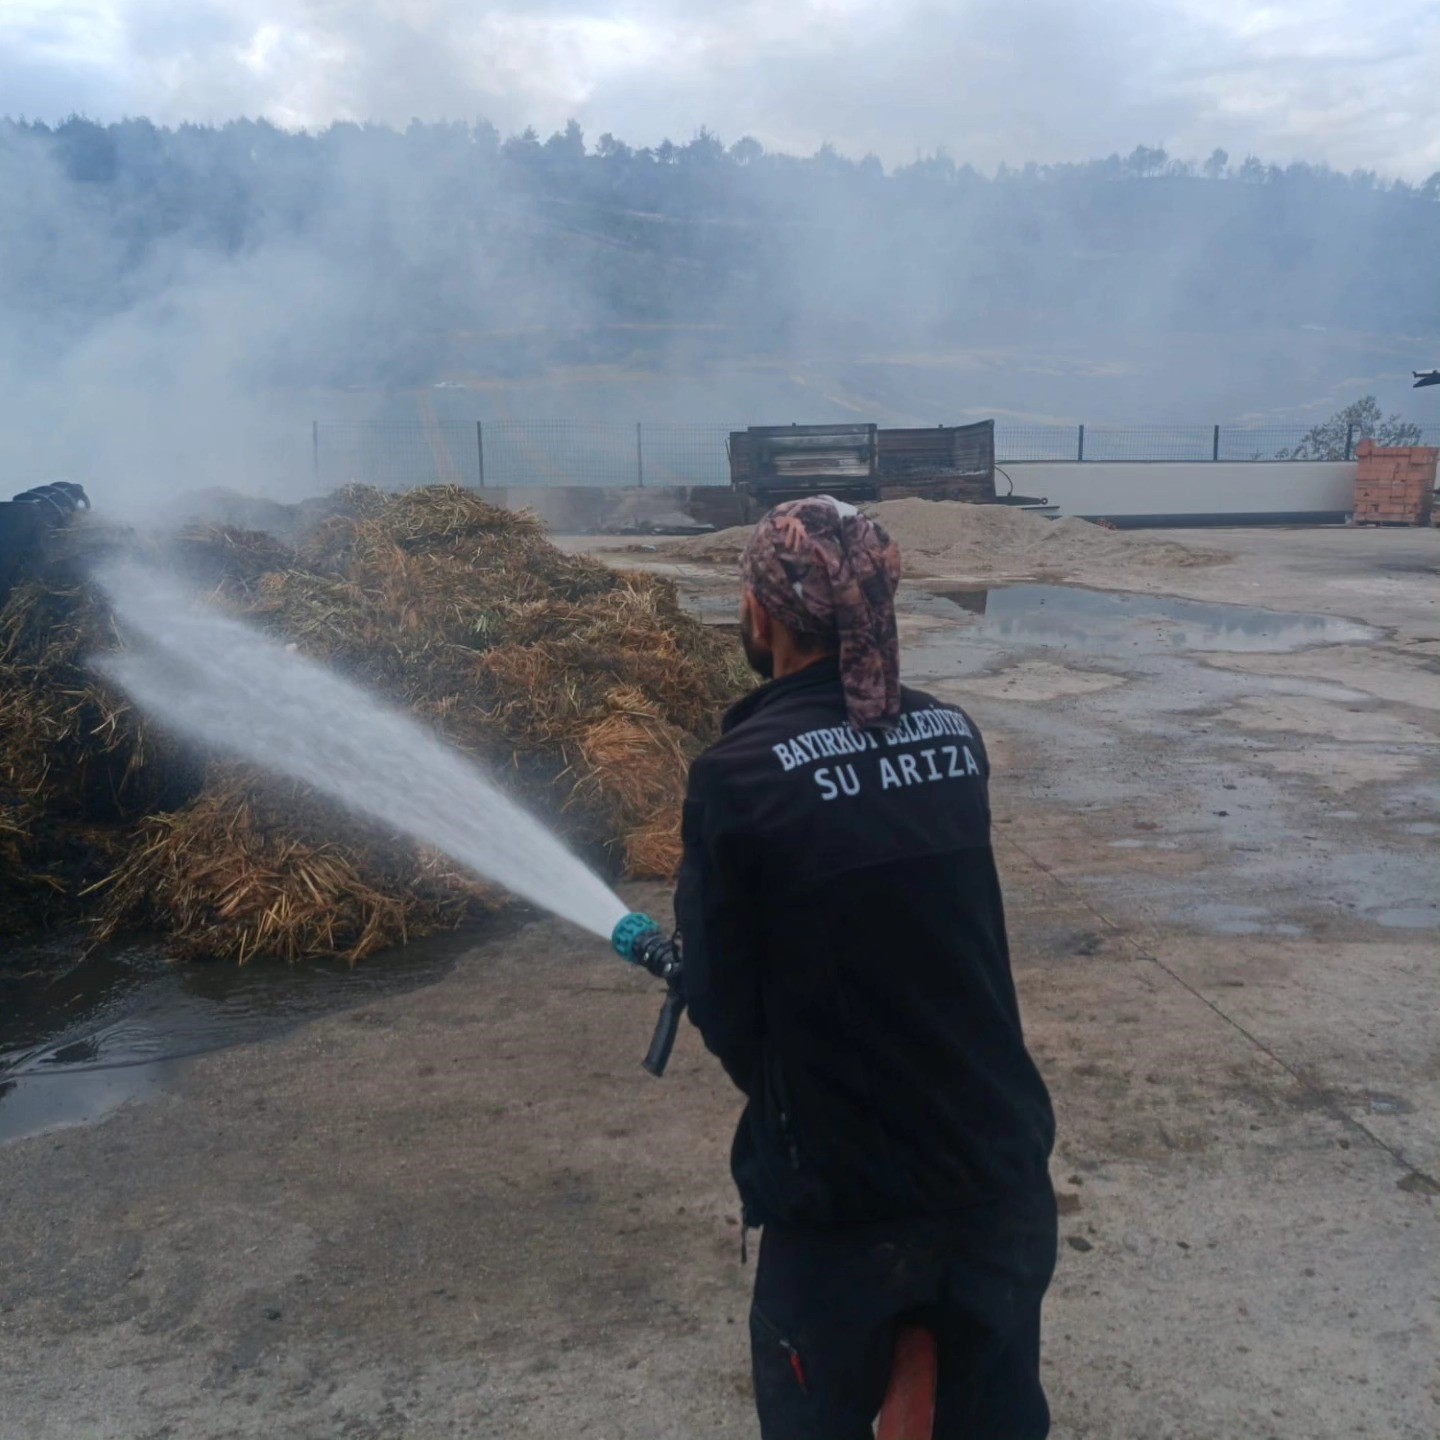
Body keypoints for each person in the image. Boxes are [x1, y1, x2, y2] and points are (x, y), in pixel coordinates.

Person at [674, 496, 1057, 1439]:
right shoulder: (956, 738)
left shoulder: (737, 775)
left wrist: (799, 1103)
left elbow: (725, 1009)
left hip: (844, 1208)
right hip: (998, 1173)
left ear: (763, 612)